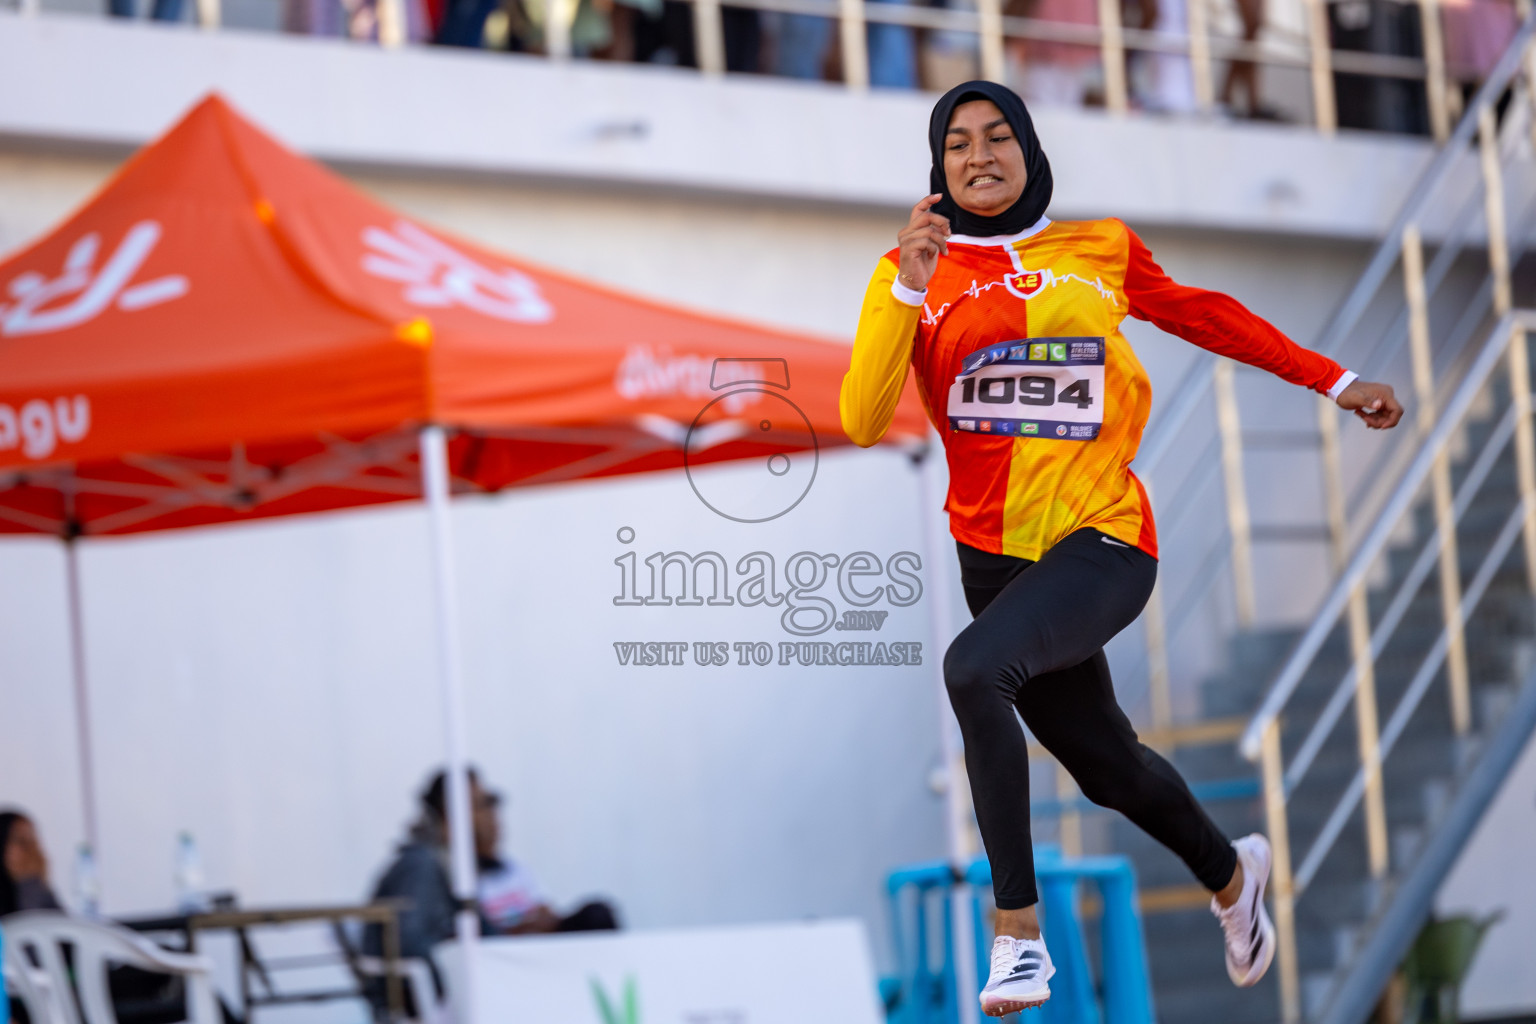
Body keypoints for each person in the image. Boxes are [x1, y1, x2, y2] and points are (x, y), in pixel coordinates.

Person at [840, 81, 1403, 1016]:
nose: (979, 156)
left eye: (998, 137)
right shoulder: (910, 271)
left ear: (1028, 147)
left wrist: (1334, 379)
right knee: (1106, 767)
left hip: (1103, 538)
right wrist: (908, 279)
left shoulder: (1098, 247)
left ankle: (1017, 936)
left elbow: (1206, 314)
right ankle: (1233, 875)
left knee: (974, 671)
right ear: (937, 169)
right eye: (957, 145)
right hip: (997, 559)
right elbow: (862, 418)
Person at [365, 768, 617, 965]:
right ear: (447, 817)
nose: (492, 814)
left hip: (507, 966)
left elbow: (488, 934)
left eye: (492, 803)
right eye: (482, 805)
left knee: (596, 915)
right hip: (479, 983)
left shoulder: (471, 867)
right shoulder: (422, 866)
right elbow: (412, 946)